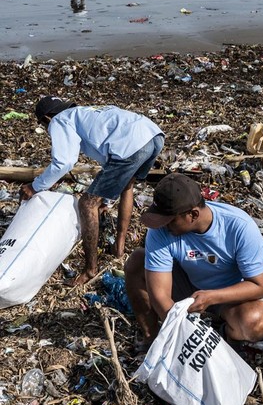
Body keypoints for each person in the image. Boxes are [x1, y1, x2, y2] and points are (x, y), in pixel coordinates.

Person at [20, 97, 164, 284]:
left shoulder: (59, 120)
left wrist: (35, 186)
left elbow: (64, 162)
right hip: (153, 135)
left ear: (47, 118)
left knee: (87, 203)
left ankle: (89, 270)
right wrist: (106, 200)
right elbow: (114, 169)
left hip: (130, 146)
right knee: (127, 184)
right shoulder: (87, 113)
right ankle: (119, 249)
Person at [124, 173, 263, 347]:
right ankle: (152, 340)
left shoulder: (239, 227)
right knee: (136, 261)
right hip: (187, 287)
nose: (163, 226)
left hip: (230, 295)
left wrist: (211, 297)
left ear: (193, 215)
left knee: (255, 322)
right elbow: (160, 295)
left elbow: (260, 286)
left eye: (169, 221)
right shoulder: (161, 231)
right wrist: (181, 334)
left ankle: (224, 335)